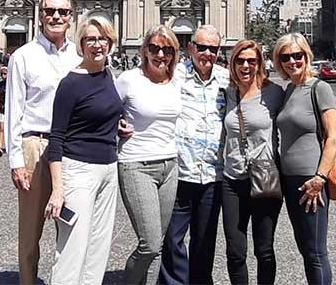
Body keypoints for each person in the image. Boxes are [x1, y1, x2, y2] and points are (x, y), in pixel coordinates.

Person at [6, 0, 82, 285]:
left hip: (72, 148)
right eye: (50, 11)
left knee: (70, 224)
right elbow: (13, 110)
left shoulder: (79, 55)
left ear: (71, 17)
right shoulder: (24, 56)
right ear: (40, 16)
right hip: (35, 145)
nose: (56, 16)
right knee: (30, 229)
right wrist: (15, 161)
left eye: (62, 12)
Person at [45, 16, 123, 285]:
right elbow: (56, 138)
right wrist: (58, 189)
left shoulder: (106, 75)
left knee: (97, 250)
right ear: (81, 43)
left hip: (108, 170)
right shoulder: (71, 83)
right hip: (78, 172)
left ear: (111, 42)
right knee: (72, 250)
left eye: (103, 39)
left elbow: (103, 111)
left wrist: (117, 125)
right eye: (91, 39)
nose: (97, 44)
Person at [159, 26, 230, 285]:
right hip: (179, 172)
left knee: (204, 240)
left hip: (212, 174)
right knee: (172, 239)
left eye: (213, 49)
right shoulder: (172, 75)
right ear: (190, 48)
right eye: (202, 47)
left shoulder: (227, 79)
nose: (207, 53)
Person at [116, 26, 183, 285]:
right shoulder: (128, 79)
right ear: (144, 50)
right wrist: (116, 125)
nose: (160, 54)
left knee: (159, 244)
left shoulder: (178, 80)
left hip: (169, 165)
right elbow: (104, 109)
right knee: (150, 244)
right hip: (136, 165)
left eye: (167, 49)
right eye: (154, 48)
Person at [274, 32, 336, 284]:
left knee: (315, 252)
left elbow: (334, 136)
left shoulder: (319, 88)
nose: (292, 61)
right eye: (285, 57)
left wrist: (319, 178)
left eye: (297, 55)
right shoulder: (289, 89)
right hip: (290, 180)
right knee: (304, 248)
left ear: (306, 56)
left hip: (311, 180)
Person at [220, 39, 284, 285]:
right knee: (235, 252)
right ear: (232, 63)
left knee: (264, 250)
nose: (245, 66)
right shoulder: (228, 94)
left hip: (264, 178)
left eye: (251, 61)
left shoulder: (274, 94)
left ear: (259, 64)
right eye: (240, 60)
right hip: (232, 181)